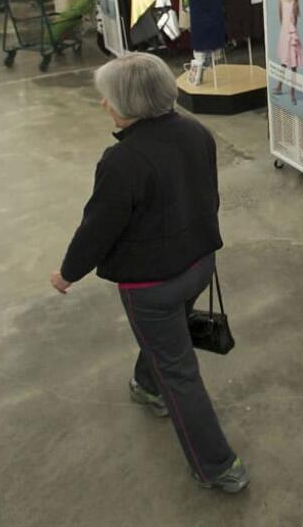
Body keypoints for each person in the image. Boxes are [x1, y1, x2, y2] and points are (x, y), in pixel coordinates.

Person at [51, 53, 248, 494]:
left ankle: (217, 466)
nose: (104, 105)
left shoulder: (121, 162)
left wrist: (67, 273)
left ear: (130, 104)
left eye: (109, 98)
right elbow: (208, 197)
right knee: (167, 343)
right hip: (199, 263)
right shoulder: (197, 132)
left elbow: (97, 230)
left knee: (180, 373)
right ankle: (146, 384)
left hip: (151, 286)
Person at [273, 0, 302, 102]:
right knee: (284, 62)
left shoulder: (294, 2)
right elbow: (280, 16)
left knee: (294, 65)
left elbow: (294, 21)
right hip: (284, 34)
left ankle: (293, 93)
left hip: (292, 35)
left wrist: (291, 31)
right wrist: (284, 29)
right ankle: (279, 86)